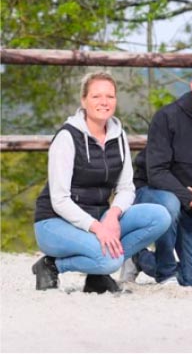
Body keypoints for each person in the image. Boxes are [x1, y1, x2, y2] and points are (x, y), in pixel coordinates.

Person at [32, 72, 171, 293]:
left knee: (160, 216)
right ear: (84, 101)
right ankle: (52, 265)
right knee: (109, 261)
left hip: (100, 218)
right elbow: (59, 200)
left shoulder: (119, 135)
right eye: (96, 96)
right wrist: (98, 228)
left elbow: (126, 187)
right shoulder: (67, 138)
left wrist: (113, 215)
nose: (104, 102)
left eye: (110, 96)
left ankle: (96, 277)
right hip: (54, 222)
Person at [123, 63, 192, 287]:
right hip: (155, 196)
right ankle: (165, 271)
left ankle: (139, 258)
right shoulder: (167, 117)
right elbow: (157, 173)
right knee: (170, 202)